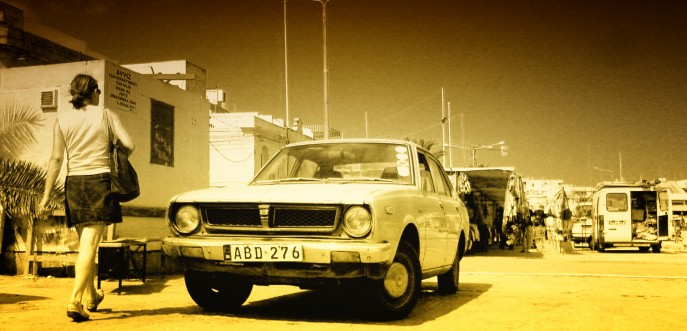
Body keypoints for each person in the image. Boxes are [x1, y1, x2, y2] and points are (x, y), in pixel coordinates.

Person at [39, 74, 135, 322]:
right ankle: (74, 301)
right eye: (99, 92)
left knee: (86, 247)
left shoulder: (62, 119)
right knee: (89, 247)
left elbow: (56, 159)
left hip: (74, 184)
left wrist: (46, 195)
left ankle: (92, 296)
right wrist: (115, 151)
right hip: (99, 182)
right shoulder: (106, 115)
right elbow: (129, 144)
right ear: (94, 92)